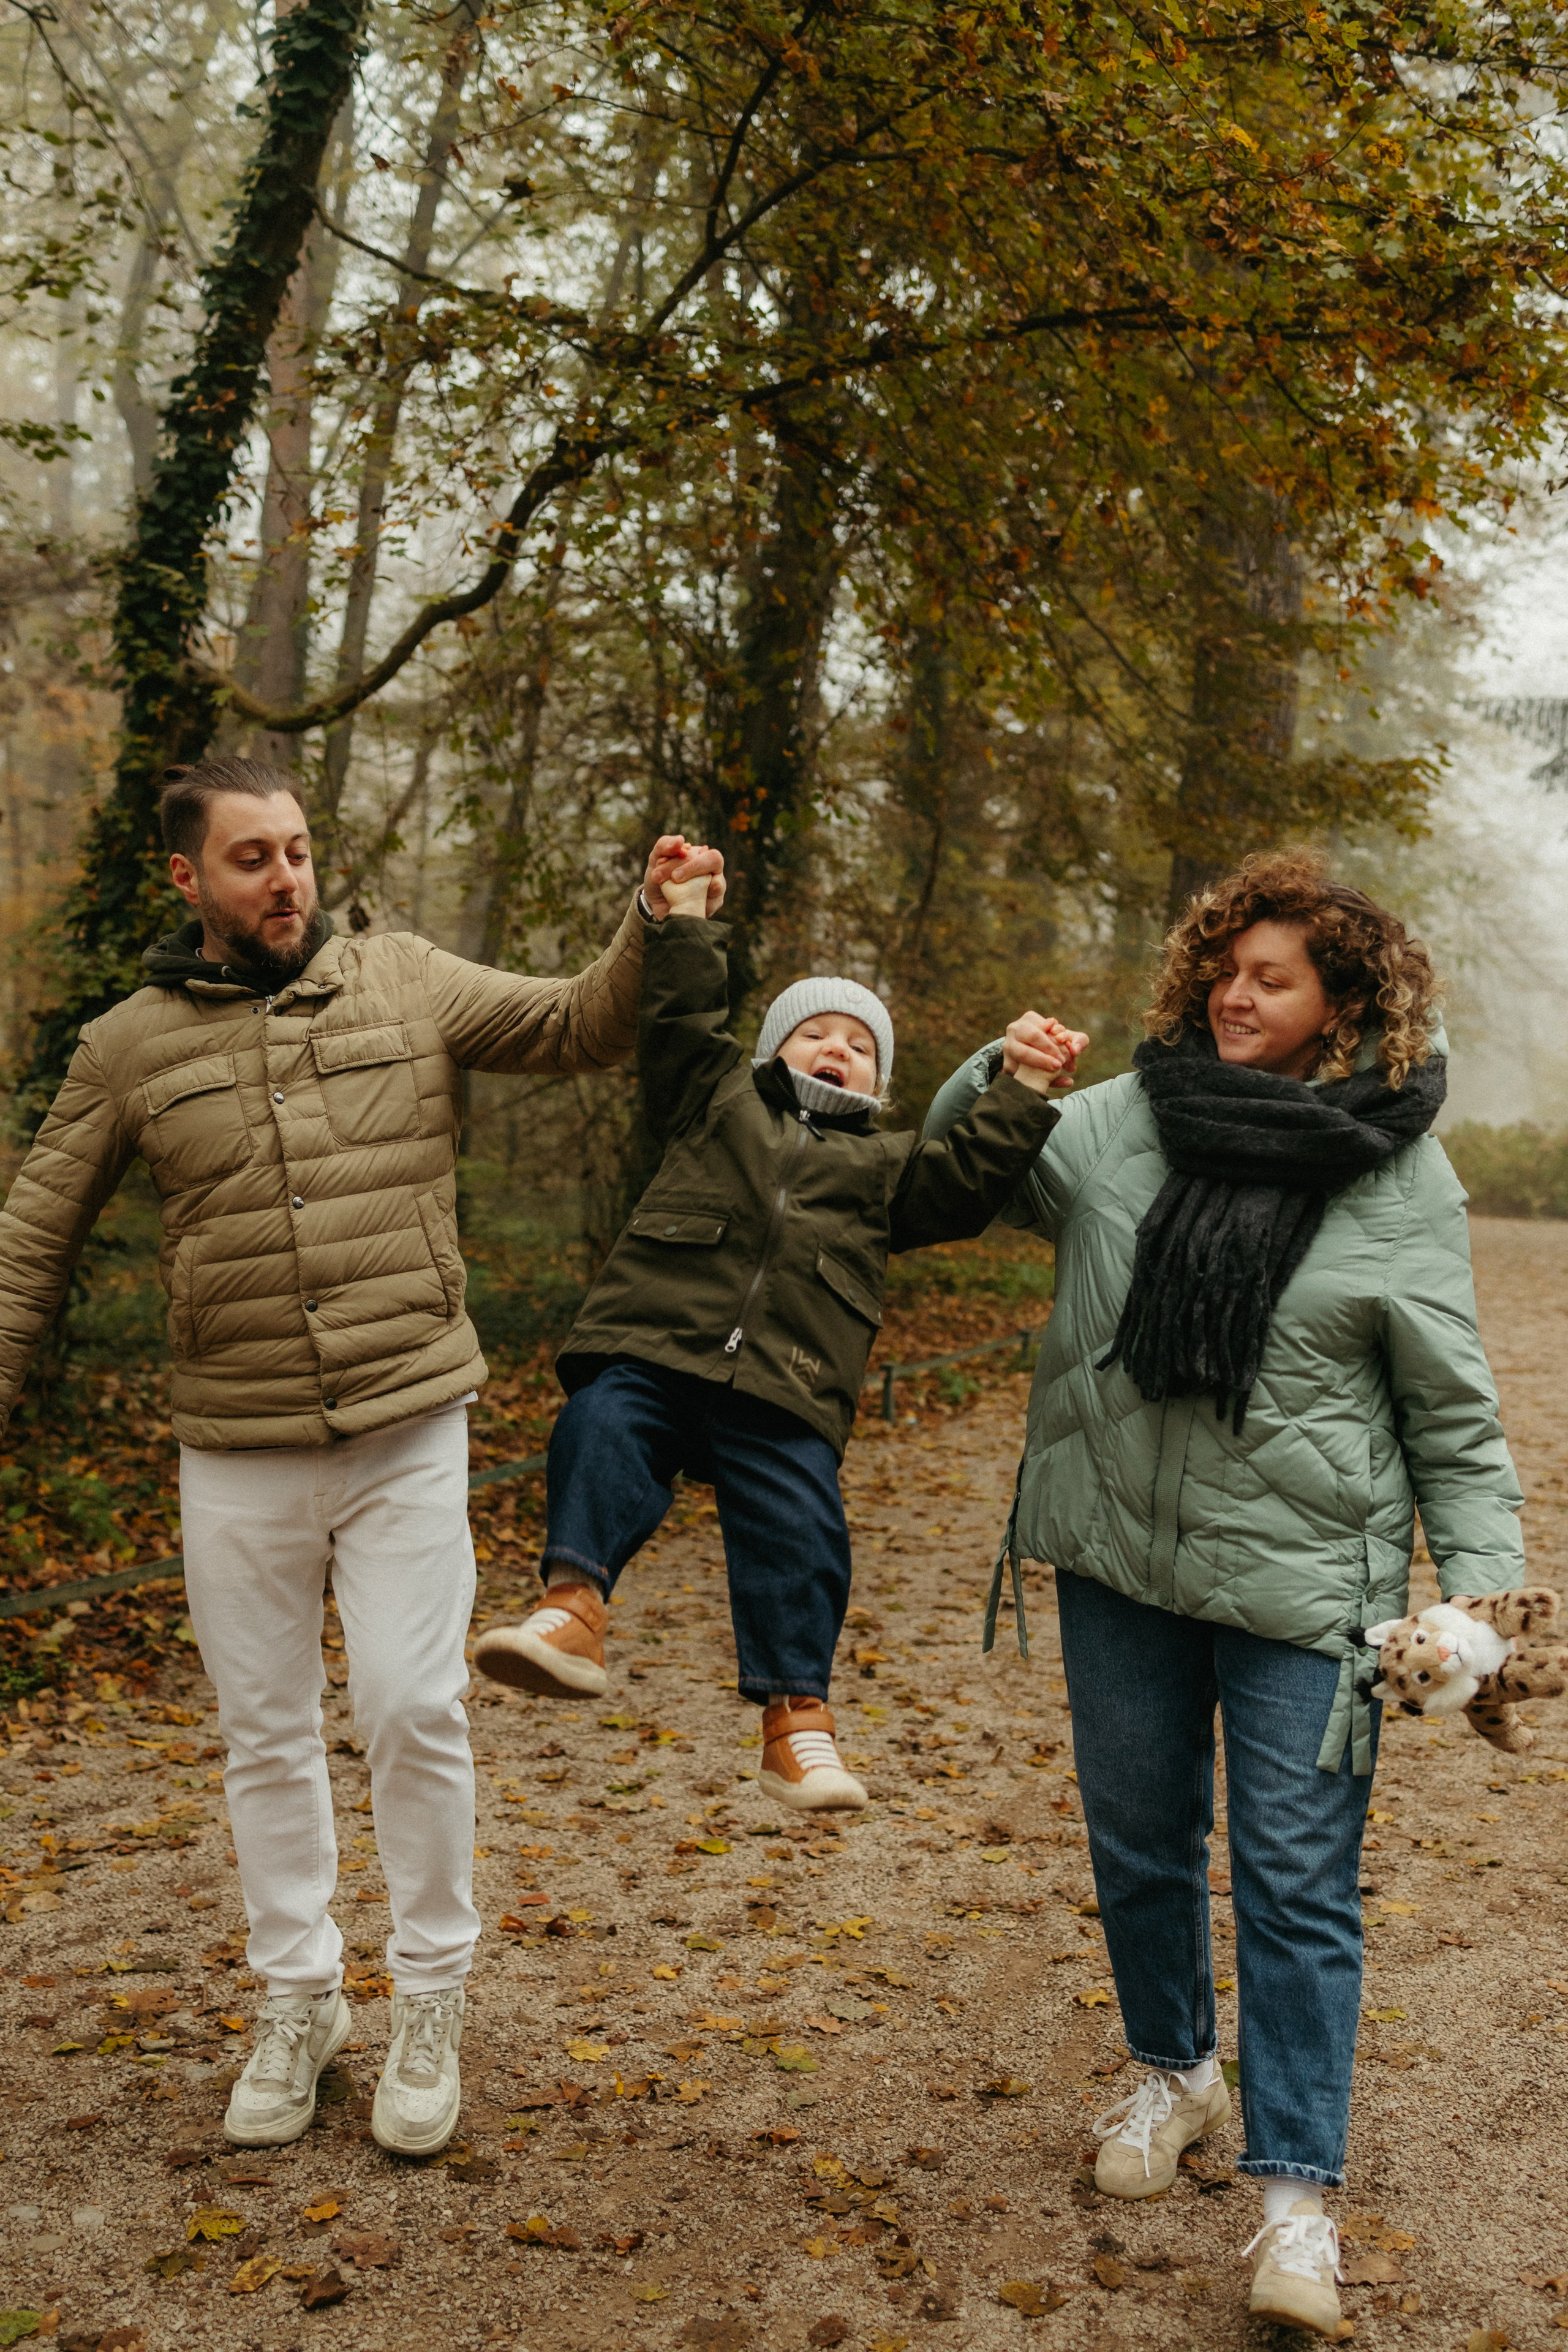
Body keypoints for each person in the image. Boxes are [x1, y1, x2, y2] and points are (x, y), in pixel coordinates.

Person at [0, 755, 723, 2157]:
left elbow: (583, 1023)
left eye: (298, 851)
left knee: (410, 1706)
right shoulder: (126, 1047)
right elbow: (31, 1244)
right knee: (263, 1737)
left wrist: (652, 917)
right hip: (238, 1445)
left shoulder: (407, 980)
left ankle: (431, 1999)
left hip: (408, 1424)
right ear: (187, 878)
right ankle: (298, 2002)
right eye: (252, 859)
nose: (285, 879)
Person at [924, 851, 1524, 2341]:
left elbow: (1448, 1416)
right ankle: (1172, 2071)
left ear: (1339, 1005)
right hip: (1120, 1561)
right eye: (1224, 969)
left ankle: (1296, 2205)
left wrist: (1492, 1597)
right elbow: (963, 1160)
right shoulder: (1120, 1121)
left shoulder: (1399, 1171)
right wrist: (993, 1069)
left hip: (1309, 1591)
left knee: (1295, 1883)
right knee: (1137, 1843)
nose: (1235, 995)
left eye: (1273, 978)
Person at [473, 870, 1088, 1806]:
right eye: (815, 1035)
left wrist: (1027, 1081)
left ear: (881, 1084)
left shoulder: (888, 1166)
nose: (837, 1050)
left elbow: (968, 1183)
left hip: (788, 1382)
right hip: (657, 1347)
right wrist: (680, 920)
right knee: (597, 1429)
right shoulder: (715, 1098)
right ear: (771, 1051)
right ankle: (573, 1610)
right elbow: (678, 1021)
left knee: (804, 1530)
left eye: (859, 1048)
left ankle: (796, 1721)